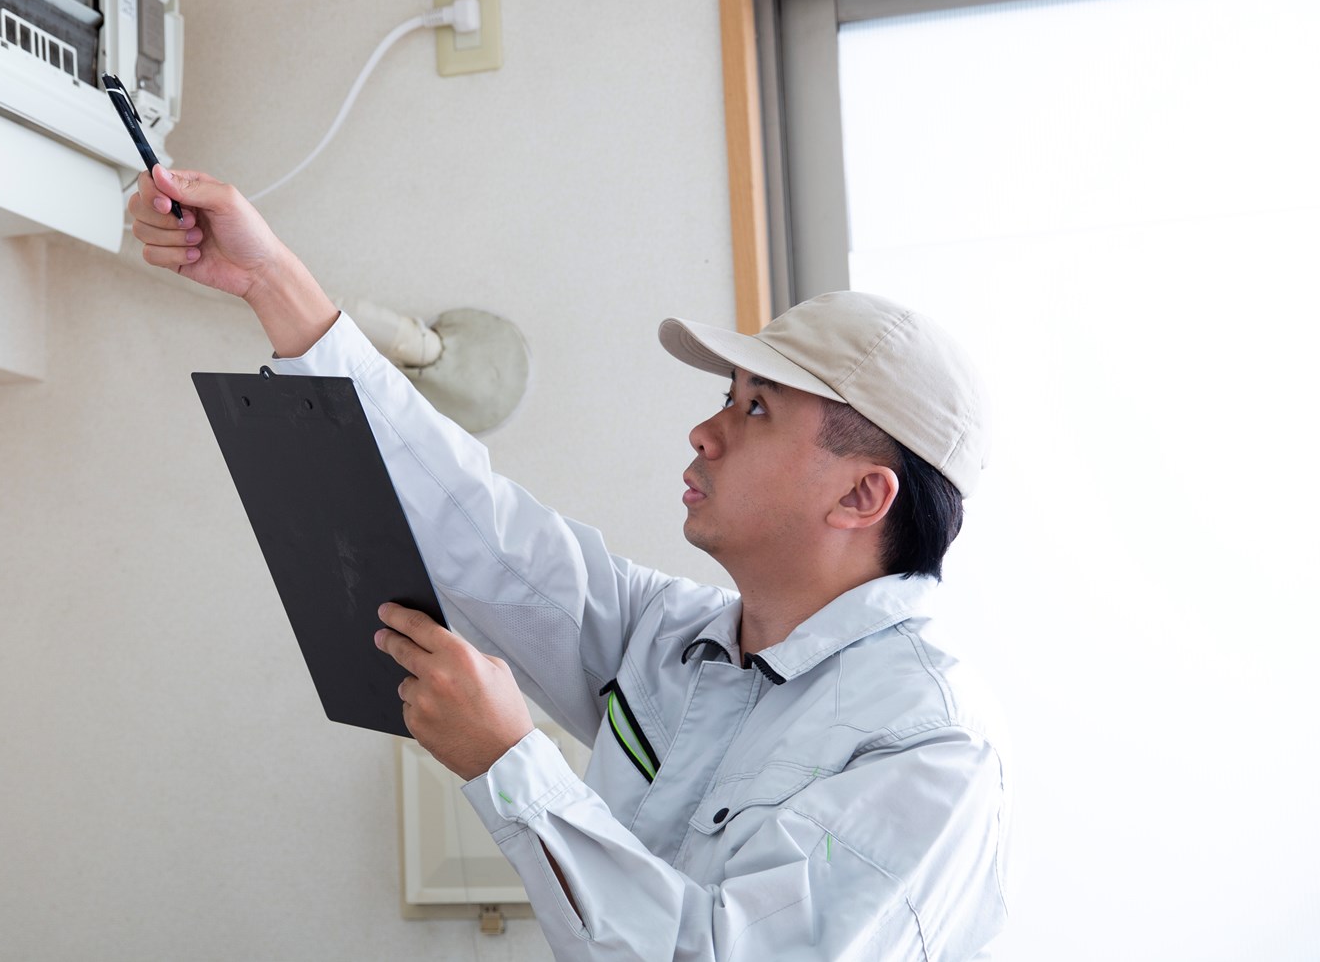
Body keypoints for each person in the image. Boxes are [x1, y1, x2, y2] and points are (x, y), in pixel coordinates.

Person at [131, 164, 1009, 961]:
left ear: (863, 497)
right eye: (725, 397)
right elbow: (476, 529)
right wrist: (268, 277)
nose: (706, 431)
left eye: (756, 409)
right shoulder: (674, 636)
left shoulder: (927, 752)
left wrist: (511, 763)